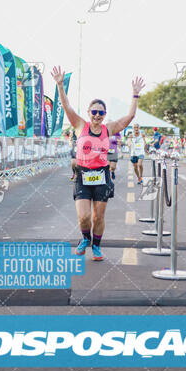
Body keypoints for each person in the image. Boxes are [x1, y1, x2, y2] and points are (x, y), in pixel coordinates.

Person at [51, 65, 145, 261]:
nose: (97, 115)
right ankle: (85, 238)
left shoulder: (108, 128)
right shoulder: (79, 125)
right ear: (88, 112)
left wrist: (135, 95)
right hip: (83, 175)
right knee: (84, 217)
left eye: (101, 112)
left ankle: (97, 246)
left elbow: (130, 117)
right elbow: (66, 106)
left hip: (102, 175)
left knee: (98, 217)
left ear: (104, 114)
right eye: (94, 111)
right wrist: (60, 85)